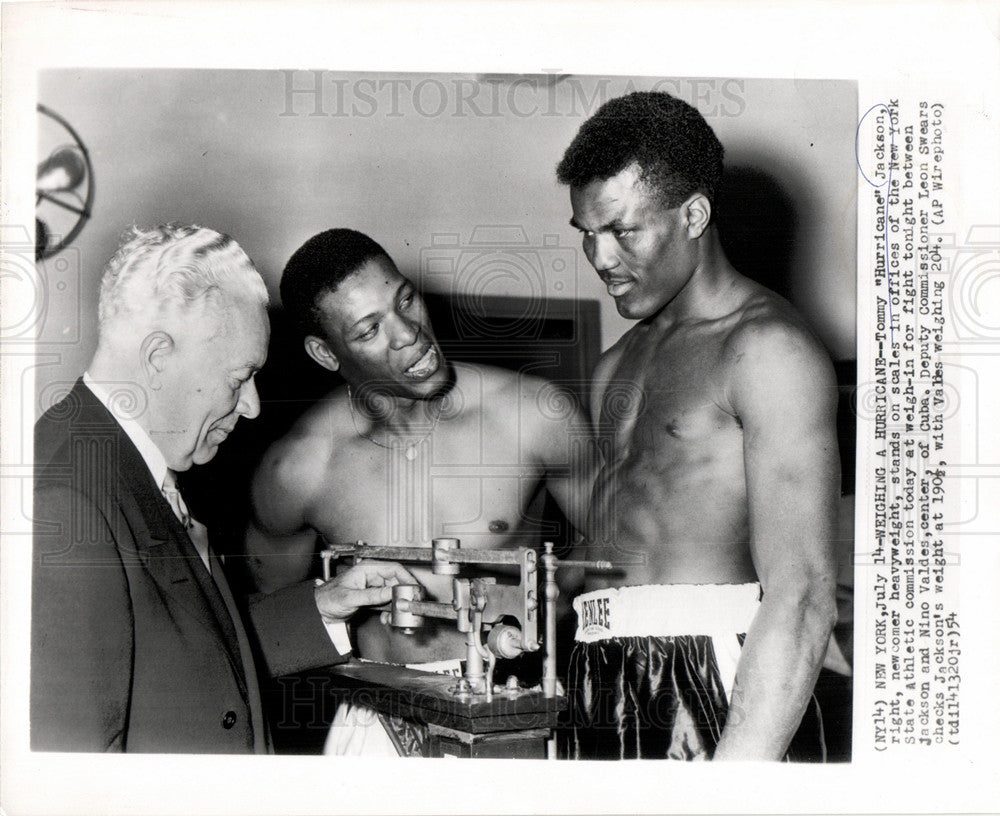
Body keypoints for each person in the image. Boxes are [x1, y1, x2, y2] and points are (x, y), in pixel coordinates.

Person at [31, 224, 413, 753]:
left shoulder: (121, 462)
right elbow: (70, 774)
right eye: (239, 378)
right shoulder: (64, 502)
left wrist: (322, 607)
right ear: (158, 356)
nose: (252, 405)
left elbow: (178, 656)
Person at [556, 91, 840, 761]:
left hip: (713, 675)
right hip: (598, 669)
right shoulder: (614, 365)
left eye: (622, 229)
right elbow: (641, 531)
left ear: (694, 214)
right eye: (586, 233)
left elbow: (801, 592)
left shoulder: (766, 350)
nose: (599, 257)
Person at [246, 228, 592, 755]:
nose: (408, 333)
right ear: (324, 352)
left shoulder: (533, 414)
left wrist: (553, 601)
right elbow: (266, 634)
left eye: (406, 299)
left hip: (511, 702)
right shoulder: (298, 470)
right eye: (369, 329)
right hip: (378, 716)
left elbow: (616, 551)